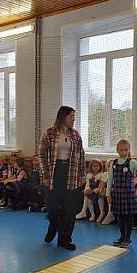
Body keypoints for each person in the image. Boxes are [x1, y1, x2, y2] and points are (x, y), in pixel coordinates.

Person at [39, 106, 86, 250]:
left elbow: (81, 155)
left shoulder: (76, 135)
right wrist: (46, 174)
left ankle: (64, 239)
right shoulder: (49, 133)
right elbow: (41, 155)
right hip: (54, 172)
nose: (73, 119)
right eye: (71, 116)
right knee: (52, 207)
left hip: (71, 172)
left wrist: (82, 175)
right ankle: (53, 225)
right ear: (63, 117)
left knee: (69, 209)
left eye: (74, 117)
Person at [107, 139, 137, 248]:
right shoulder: (113, 163)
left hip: (128, 194)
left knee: (128, 216)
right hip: (117, 194)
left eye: (126, 150)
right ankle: (122, 237)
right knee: (120, 216)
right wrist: (108, 194)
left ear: (129, 150)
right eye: (121, 150)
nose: (124, 152)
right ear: (117, 150)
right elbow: (110, 179)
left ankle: (127, 238)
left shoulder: (131, 162)